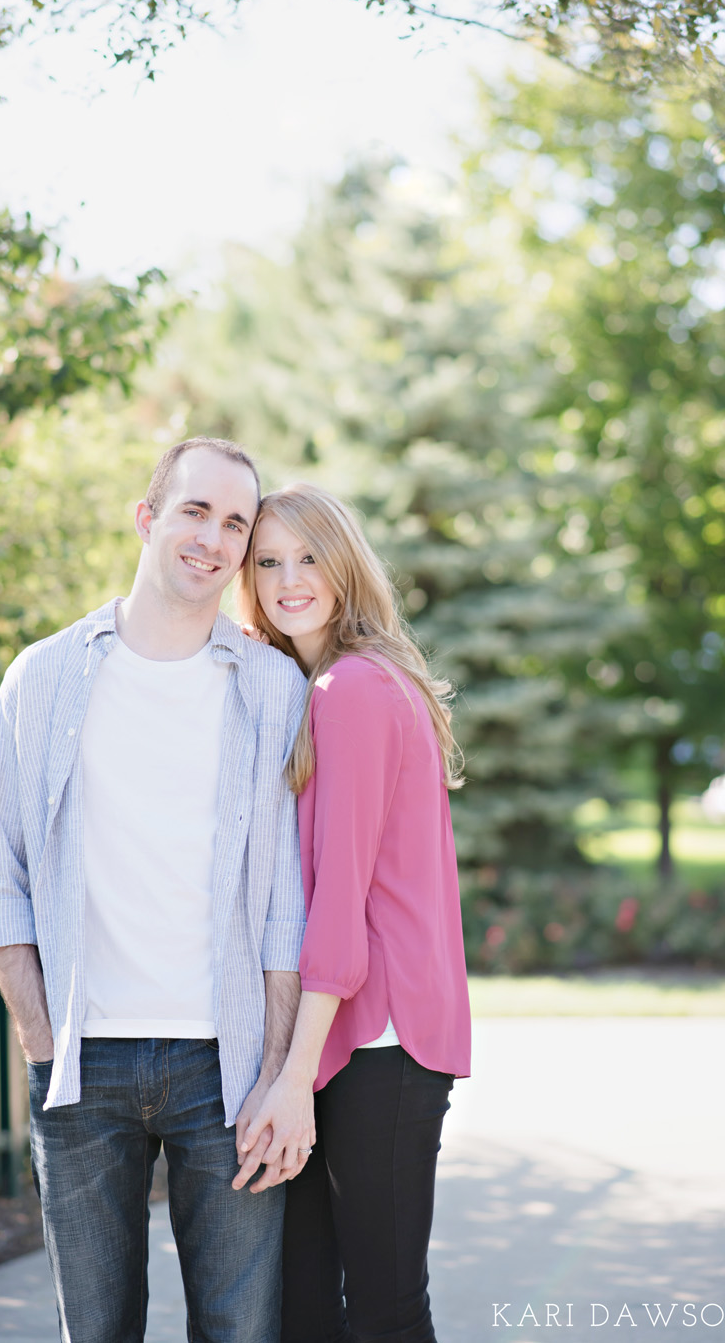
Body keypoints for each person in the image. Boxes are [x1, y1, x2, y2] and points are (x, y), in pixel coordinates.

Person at [0, 437, 311, 1343]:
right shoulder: (41, 679)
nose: (213, 537)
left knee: (240, 1329)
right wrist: (44, 1044)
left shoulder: (273, 689)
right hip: (84, 1067)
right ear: (148, 516)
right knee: (98, 1329)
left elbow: (285, 905)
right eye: (196, 510)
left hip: (226, 1066)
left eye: (235, 522)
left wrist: (274, 1068)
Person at [233, 482, 472, 1343]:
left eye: (307, 557)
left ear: (344, 566)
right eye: (267, 562)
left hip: (378, 1042)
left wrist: (291, 1077)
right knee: (307, 1309)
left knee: (383, 1311)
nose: (287, 578)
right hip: (351, 1041)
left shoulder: (354, 689)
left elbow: (339, 897)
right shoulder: (335, 684)